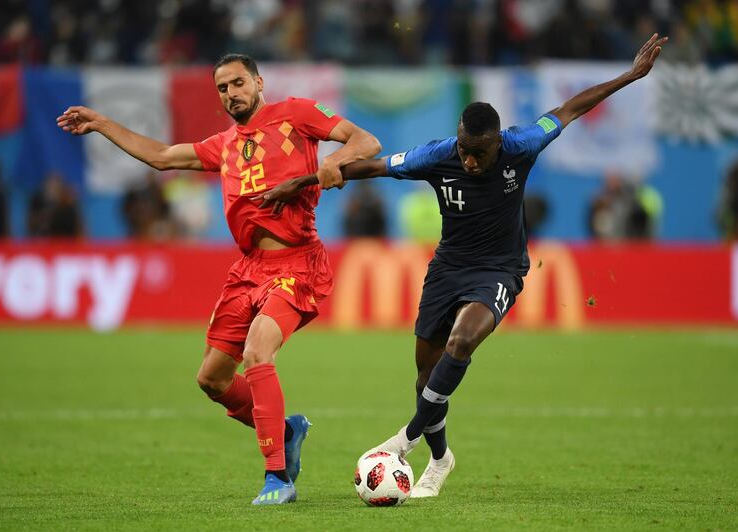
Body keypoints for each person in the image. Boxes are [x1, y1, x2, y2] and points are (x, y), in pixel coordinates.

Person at [261, 34, 669, 498]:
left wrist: (630, 76)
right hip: (448, 268)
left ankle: (406, 439)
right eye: (464, 149)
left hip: (499, 270)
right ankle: (440, 460)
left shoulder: (522, 145)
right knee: (424, 373)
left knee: (462, 340)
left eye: (479, 151)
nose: (469, 160)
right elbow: (374, 167)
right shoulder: (439, 155)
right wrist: (309, 179)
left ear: (497, 142)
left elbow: (571, 108)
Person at [56, 53, 380, 505]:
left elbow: (367, 141)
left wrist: (336, 161)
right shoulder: (224, 145)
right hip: (247, 271)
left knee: (258, 352)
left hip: (297, 265)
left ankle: (278, 478)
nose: (231, 94)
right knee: (211, 380)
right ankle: (286, 430)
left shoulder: (297, 114)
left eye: (238, 83)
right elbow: (163, 156)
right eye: (223, 89)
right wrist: (102, 123)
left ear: (258, 82)